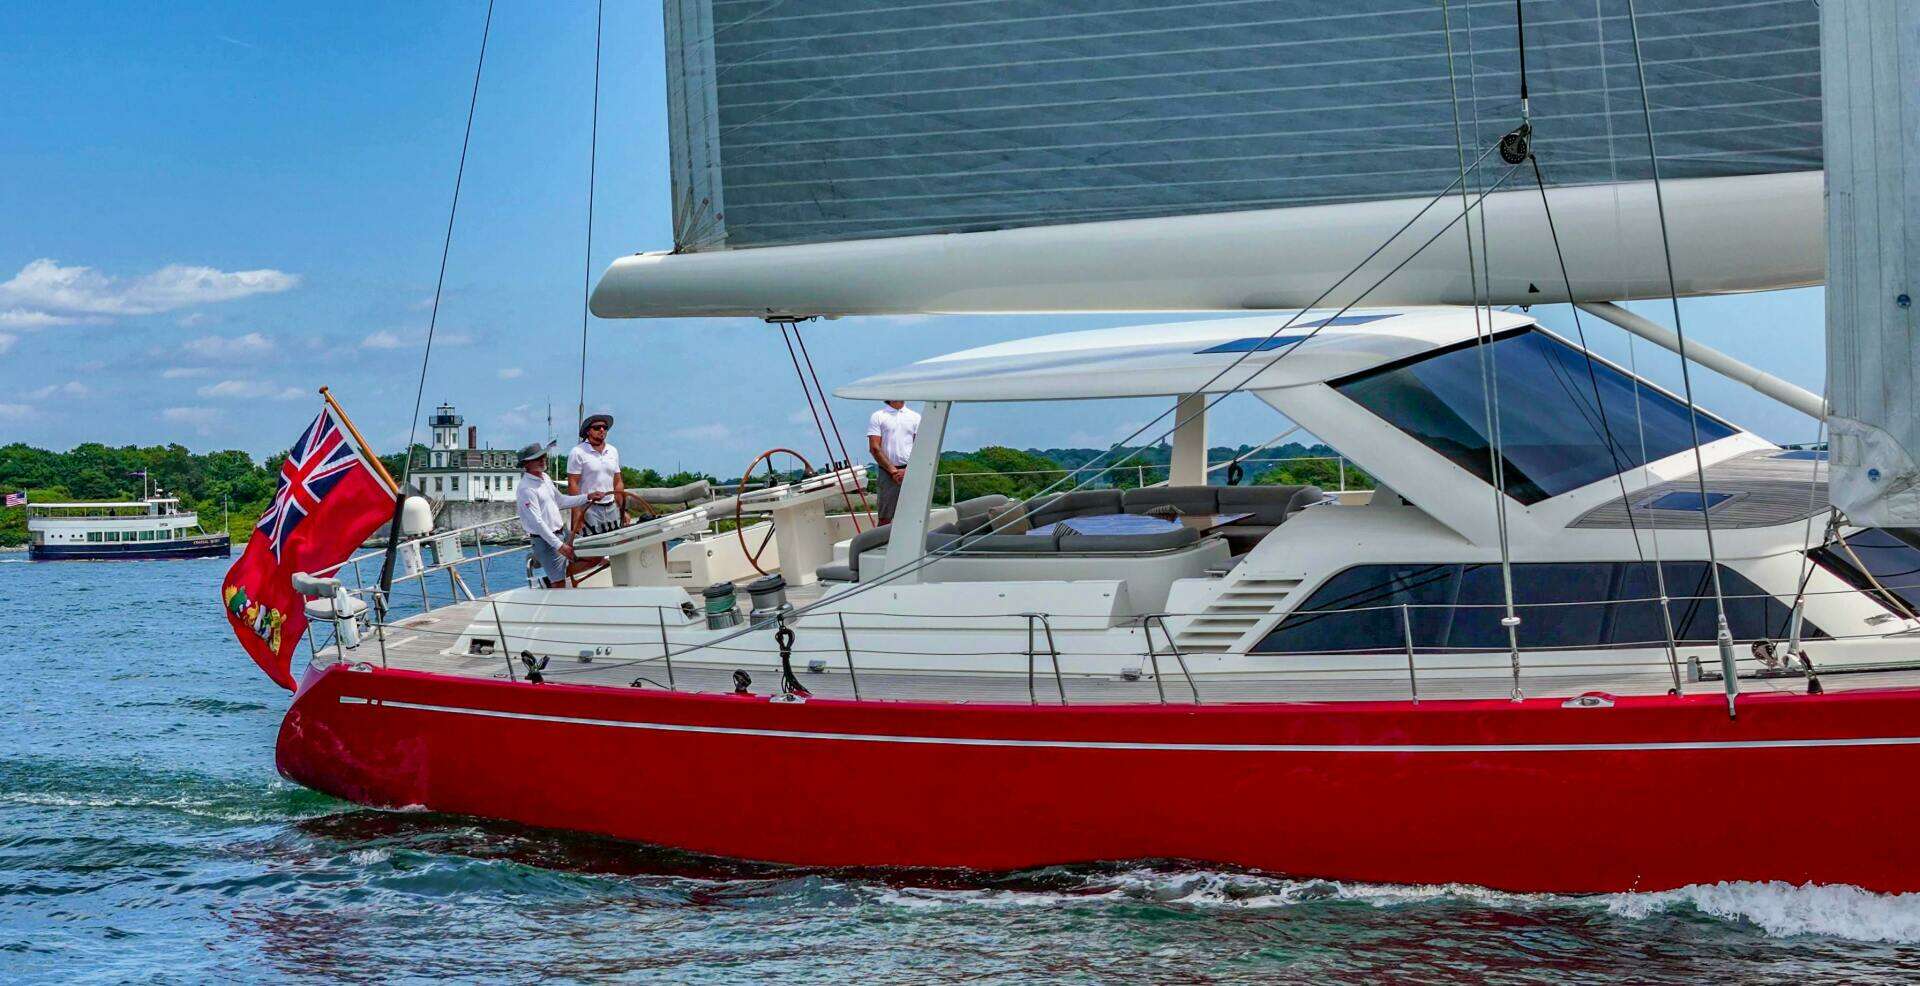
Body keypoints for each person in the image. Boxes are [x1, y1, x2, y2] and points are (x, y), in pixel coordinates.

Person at [515, 442, 609, 588]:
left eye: (543, 456)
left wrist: (588, 497)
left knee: (596, 556)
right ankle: (554, 580)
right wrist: (560, 546)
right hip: (545, 540)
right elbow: (537, 523)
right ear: (526, 464)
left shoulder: (545, 478)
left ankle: (551, 579)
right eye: (537, 458)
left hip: (563, 533)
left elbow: (561, 501)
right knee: (559, 584)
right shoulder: (526, 488)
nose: (542, 460)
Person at [567, 412, 626, 535]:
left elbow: (618, 482)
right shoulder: (577, 452)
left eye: (605, 427)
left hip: (611, 507)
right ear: (588, 431)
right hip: (589, 508)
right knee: (592, 545)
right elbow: (573, 484)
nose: (602, 430)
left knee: (615, 543)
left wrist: (622, 510)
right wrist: (577, 514)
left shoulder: (613, 451)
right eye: (597, 427)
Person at [866, 399, 920, 525]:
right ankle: (882, 539)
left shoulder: (915, 417)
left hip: (910, 471)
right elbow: (874, 448)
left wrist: (907, 470)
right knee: (885, 518)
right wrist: (893, 471)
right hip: (887, 473)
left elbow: (920, 446)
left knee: (914, 516)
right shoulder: (878, 416)